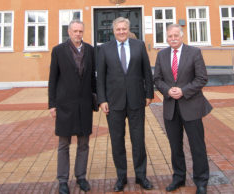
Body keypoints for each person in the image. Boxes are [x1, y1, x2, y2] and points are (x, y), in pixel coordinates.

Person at [97, 17, 154, 192]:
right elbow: (100, 77)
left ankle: (141, 176)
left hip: (137, 100)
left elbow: (146, 71)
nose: (121, 32)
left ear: (128, 30)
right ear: (113, 31)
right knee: (117, 141)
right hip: (114, 103)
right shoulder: (105, 49)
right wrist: (102, 100)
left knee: (138, 140)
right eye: (118, 29)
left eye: (124, 29)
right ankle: (121, 177)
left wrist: (149, 94)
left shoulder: (139, 45)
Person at [153, 24, 212, 194]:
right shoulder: (162, 54)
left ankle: (201, 181)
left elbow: (202, 78)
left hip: (191, 107)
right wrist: (167, 90)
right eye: (169, 36)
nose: (172, 38)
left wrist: (183, 91)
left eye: (176, 35)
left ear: (182, 36)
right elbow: (157, 78)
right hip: (171, 109)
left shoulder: (194, 53)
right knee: (175, 146)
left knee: (197, 145)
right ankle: (178, 177)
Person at [48, 20, 96, 194]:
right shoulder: (58, 51)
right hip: (64, 105)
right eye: (75, 31)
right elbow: (53, 79)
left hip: (84, 104)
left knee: (84, 143)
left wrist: (96, 100)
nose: (78, 34)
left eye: (80, 31)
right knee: (64, 144)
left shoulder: (90, 50)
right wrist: (52, 104)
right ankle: (62, 180)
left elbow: (92, 78)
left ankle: (81, 177)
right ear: (68, 32)